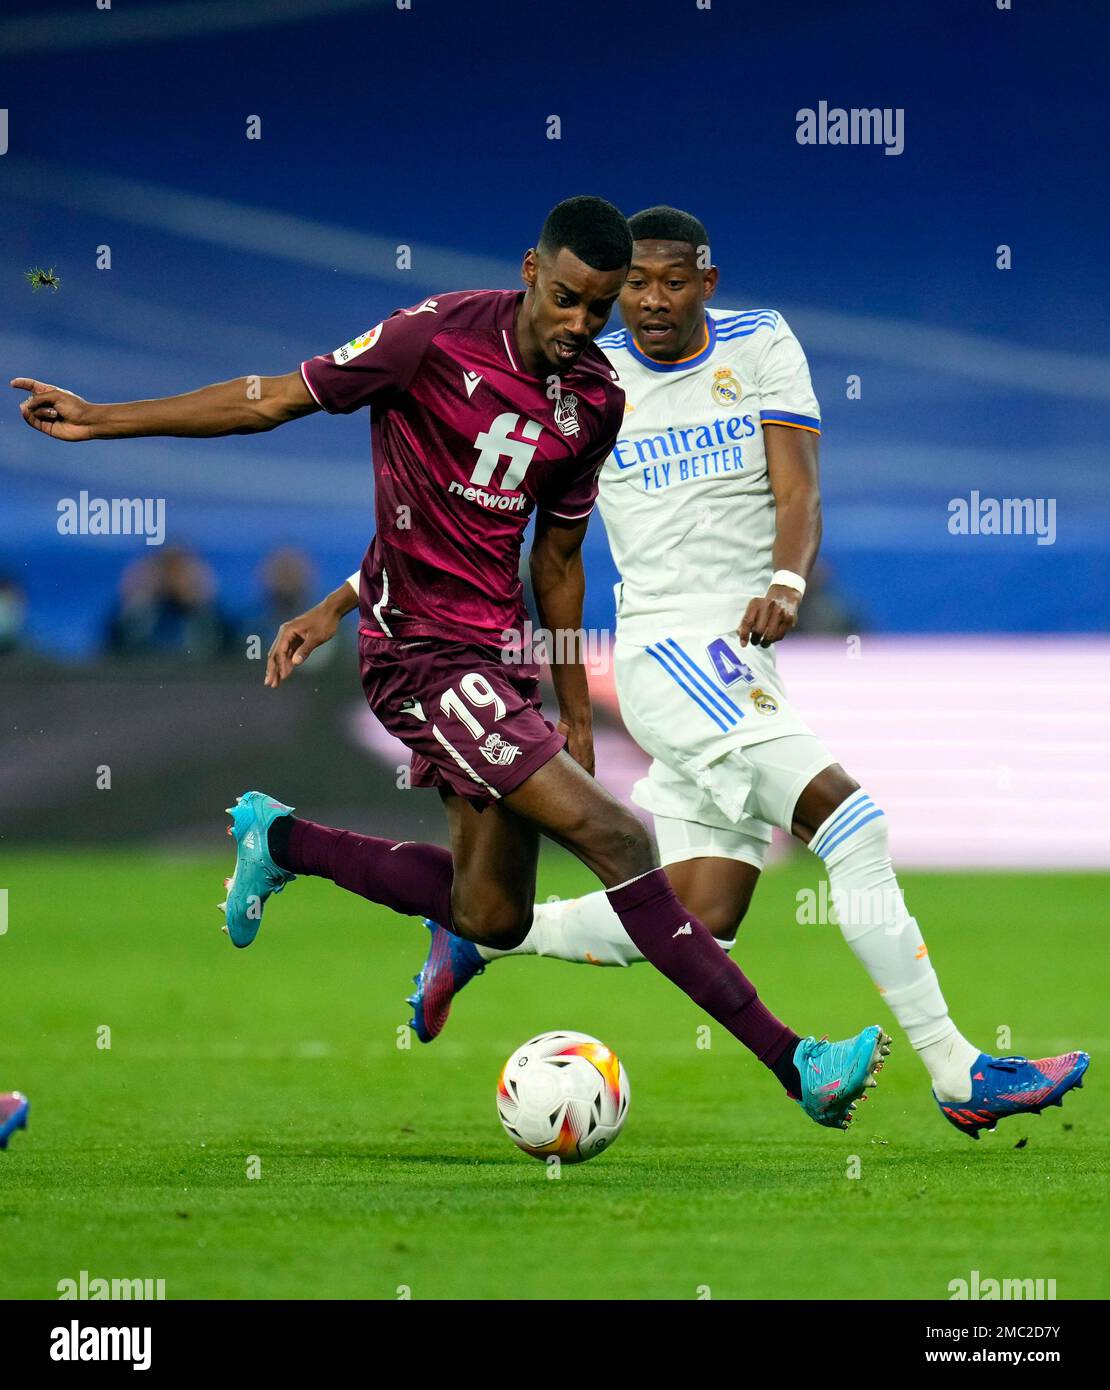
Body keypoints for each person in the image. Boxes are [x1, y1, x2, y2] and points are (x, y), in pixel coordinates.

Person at [11, 196, 889, 1132]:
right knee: (623, 843)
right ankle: (798, 1063)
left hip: (495, 658)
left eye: (598, 309)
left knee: (493, 915)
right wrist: (103, 420)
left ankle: (280, 842)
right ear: (530, 270)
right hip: (418, 654)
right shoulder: (429, 338)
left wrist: (576, 713)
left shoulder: (594, 399)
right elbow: (269, 398)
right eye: (567, 299)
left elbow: (552, 560)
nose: (580, 325)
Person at [273, 205, 1088, 1141]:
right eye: (633, 288)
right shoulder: (586, 381)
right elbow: (464, 517)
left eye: (671, 282)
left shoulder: (762, 345)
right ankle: (959, 1069)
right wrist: (342, 601)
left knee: (697, 915)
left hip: (746, 660)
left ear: (708, 281)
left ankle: (482, 930)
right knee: (852, 821)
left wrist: (787, 578)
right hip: (671, 654)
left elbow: (799, 488)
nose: (649, 303)